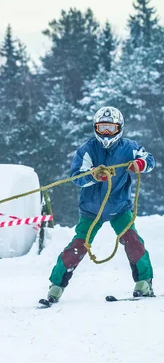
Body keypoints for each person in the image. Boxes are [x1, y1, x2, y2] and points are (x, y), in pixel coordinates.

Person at [44, 106, 155, 304]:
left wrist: (140, 164)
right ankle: (56, 286)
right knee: (78, 247)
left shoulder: (129, 147)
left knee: (133, 241)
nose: (105, 133)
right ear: (95, 128)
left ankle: (144, 282)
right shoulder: (87, 149)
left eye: (110, 128)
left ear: (119, 128)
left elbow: (149, 159)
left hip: (120, 208)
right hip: (91, 210)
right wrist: (94, 175)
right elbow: (77, 177)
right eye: (102, 128)